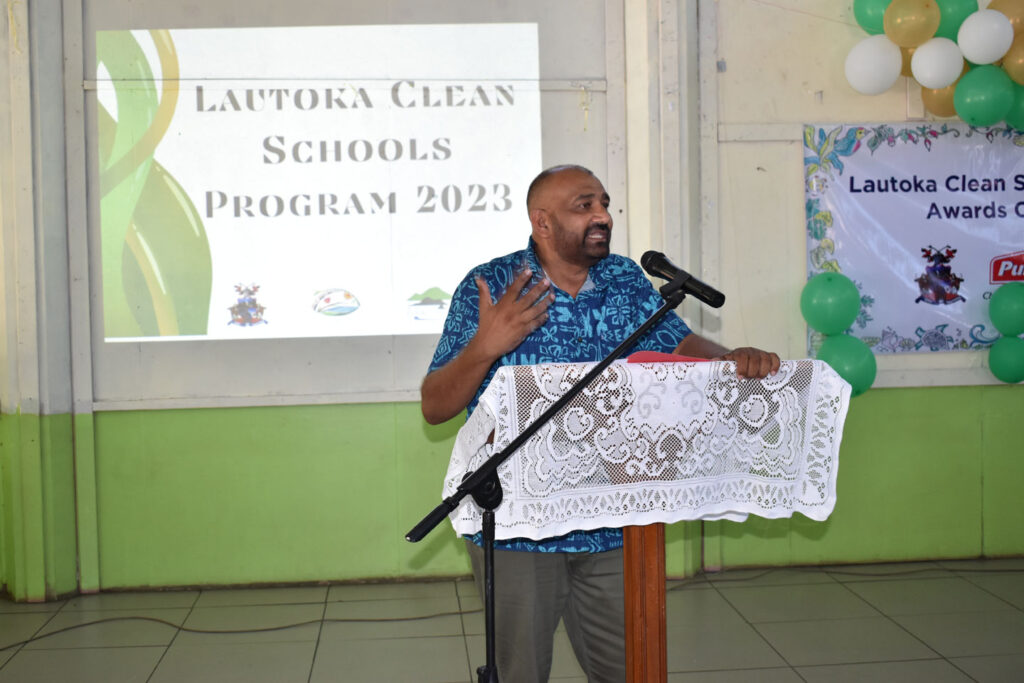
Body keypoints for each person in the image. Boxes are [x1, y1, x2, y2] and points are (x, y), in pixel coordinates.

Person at [421, 164, 779, 682]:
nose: (603, 216)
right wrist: (485, 347)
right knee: (520, 673)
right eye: (583, 205)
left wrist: (731, 358)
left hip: (611, 512)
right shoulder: (493, 283)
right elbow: (435, 406)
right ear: (541, 222)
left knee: (631, 669)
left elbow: (674, 342)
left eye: (604, 204)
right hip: (522, 522)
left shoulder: (624, 277)